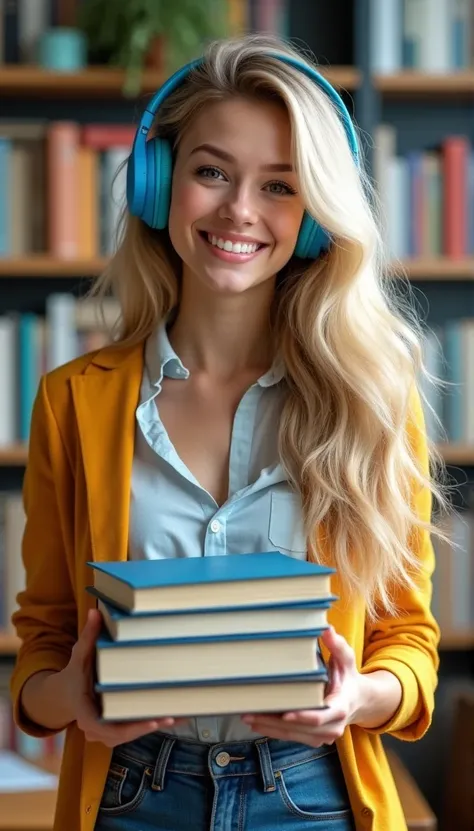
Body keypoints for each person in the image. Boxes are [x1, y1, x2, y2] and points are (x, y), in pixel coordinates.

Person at [10, 32, 446, 831]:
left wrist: (357, 696)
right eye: (212, 171)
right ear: (157, 183)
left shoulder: (373, 401)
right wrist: (68, 692)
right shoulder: (72, 402)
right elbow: (43, 642)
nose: (240, 210)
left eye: (280, 185)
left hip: (313, 795)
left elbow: (408, 640)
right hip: (131, 796)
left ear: (314, 214)